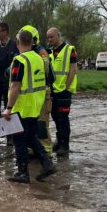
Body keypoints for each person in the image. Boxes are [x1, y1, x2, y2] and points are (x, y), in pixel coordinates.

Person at [2, 28, 56, 183]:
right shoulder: (39, 58)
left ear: (18, 43)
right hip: (36, 105)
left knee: (19, 139)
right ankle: (47, 163)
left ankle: (22, 172)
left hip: (21, 106)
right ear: (33, 42)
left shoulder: (19, 60)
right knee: (31, 136)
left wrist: (8, 108)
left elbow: (15, 86)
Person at [21, 25, 54, 155]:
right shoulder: (23, 53)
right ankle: (32, 150)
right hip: (28, 94)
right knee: (29, 125)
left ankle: (45, 152)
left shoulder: (41, 53)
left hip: (42, 93)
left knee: (41, 124)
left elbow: (44, 69)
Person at [46, 27, 77, 155]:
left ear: (59, 36)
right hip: (53, 90)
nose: (49, 40)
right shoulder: (49, 52)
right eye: (48, 37)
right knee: (55, 117)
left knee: (63, 118)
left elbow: (73, 69)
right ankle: (59, 141)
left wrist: (66, 86)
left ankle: (65, 144)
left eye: (52, 37)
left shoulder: (69, 50)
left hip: (64, 90)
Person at [0, 22, 17, 118]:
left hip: (9, 80)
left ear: (5, 32)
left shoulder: (14, 44)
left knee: (8, 105)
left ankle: (10, 131)